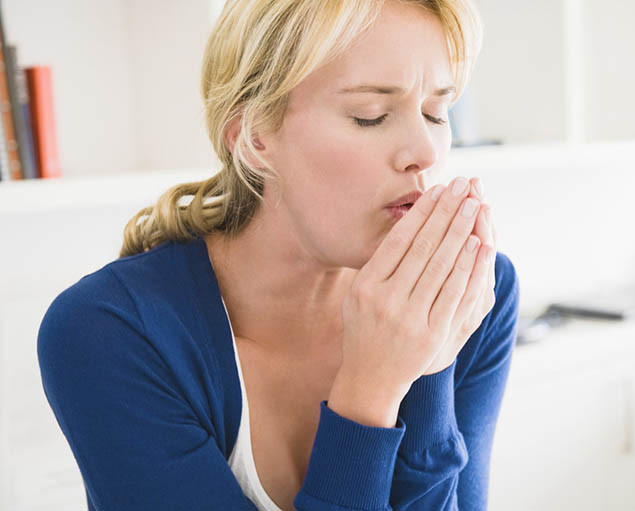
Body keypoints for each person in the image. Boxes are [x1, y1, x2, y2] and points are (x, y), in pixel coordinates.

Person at [37, 0, 520, 509]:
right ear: (254, 137)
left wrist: (430, 371)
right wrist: (370, 391)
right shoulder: (107, 331)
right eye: (370, 116)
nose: (426, 152)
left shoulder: (472, 296)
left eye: (436, 112)